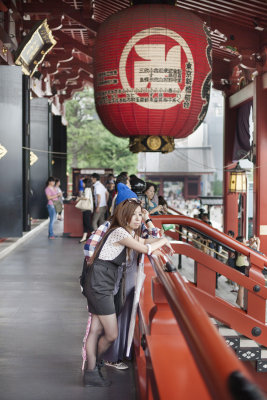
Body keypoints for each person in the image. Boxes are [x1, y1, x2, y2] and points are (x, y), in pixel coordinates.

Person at [82, 199, 171, 387]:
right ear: (125, 215)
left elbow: (146, 240)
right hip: (99, 283)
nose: (139, 218)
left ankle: (91, 371)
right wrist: (164, 240)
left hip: (102, 280)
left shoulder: (125, 232)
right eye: (136, 214)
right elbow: (146, 248)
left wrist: (161, 241)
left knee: (97, 330)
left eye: (141, 214)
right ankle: (94, 367)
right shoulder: (119, 232)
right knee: (111, 333)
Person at [235, 236, 249, 309]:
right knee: (242, 286)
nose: (245, 241)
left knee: (241, 286)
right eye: (244, 240)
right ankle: (240, 304)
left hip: (239, 265)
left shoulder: (238, 247)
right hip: (242, 265)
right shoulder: (242, 248)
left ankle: (238, 301)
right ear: (241, 241)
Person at [79, 178, 94, 243]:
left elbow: (86, 198)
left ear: (86, 183)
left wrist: (80, 198)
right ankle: (84, 238)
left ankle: (95, 236)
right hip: (87, 209)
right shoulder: (88, 189)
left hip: (87, 208)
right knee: (85, 223)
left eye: (83, 183)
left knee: (87, 223)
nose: (82, 184)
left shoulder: (87, 189)